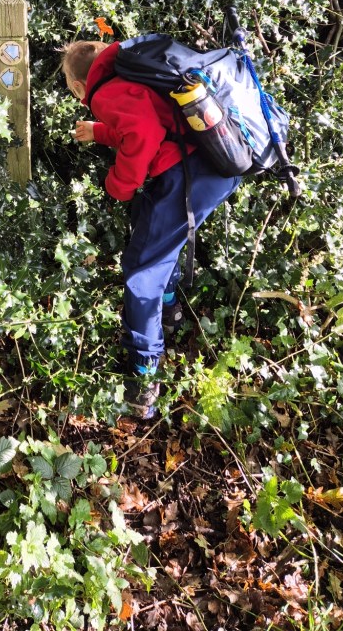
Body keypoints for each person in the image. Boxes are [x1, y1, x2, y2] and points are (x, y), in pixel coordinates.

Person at [62, 39, 242, 419]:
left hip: (189, 175)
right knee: (158, 240)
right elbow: (152, 123)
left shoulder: (105, 93)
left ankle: (144, 379)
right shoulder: (128, 72)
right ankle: (169, 311)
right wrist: (101, 132)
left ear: (79, 86)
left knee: (142, 269)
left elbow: (143, 135)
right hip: (210, 162)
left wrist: (118, 185)